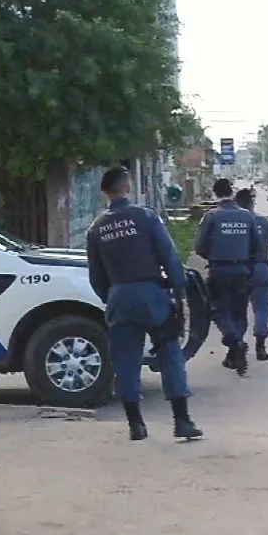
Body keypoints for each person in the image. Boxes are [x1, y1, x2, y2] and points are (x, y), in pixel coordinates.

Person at [86, 166, 202, 441]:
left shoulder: (96, 229)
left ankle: (135, 425)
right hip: (152, 296)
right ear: (127, 187)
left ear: (105, 192)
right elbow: (170, 257)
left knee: (126, 361)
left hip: (119, 298)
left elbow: (96, 276)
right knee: (170, 354)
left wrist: (111, 298)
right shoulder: (146, 217)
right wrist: (178, 291)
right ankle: (182, 421)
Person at [195, 178, 259, 375]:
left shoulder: (211, 217)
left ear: (215, 193)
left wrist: (214, 256)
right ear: (231, 192)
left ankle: (234, 342)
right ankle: (235, 351)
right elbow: (256, 246)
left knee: (219, 310)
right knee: (239, 312)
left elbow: (199, 247)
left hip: (219, 270)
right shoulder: (247, 217)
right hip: (242, 271)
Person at [235, 188, 268, 360]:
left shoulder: (232, 224)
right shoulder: (265, 222)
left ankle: (237, 345)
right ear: (251, 204)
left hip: (236, 273)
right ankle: (260, 346)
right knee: (261, 310)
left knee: (237, 311)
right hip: (260, 271)